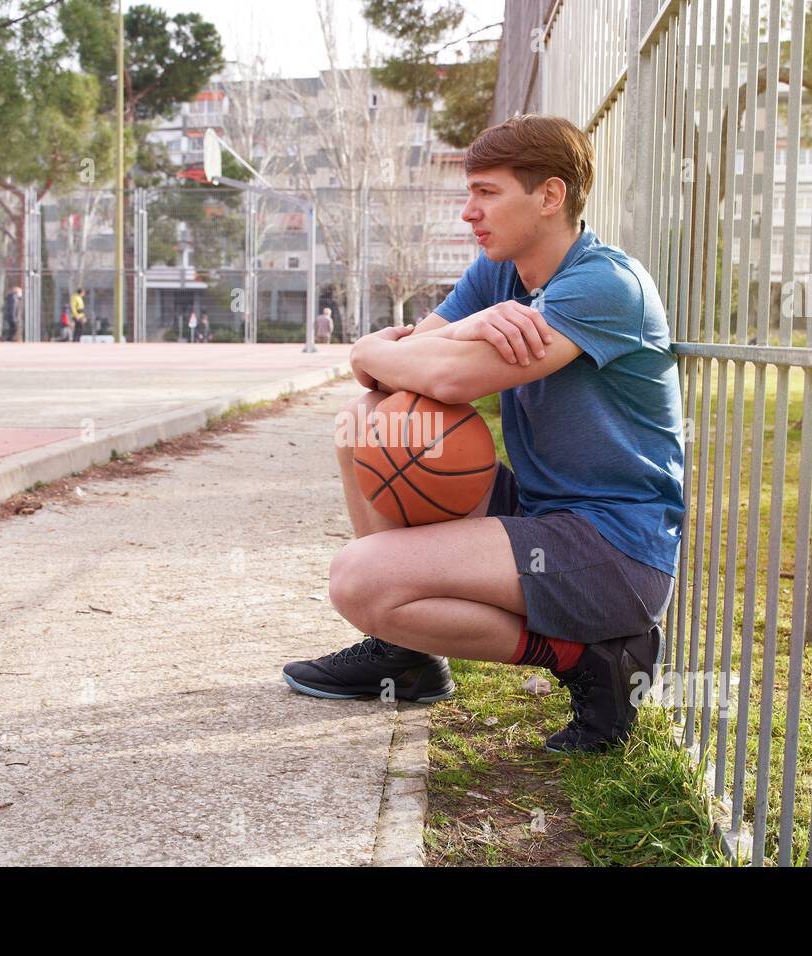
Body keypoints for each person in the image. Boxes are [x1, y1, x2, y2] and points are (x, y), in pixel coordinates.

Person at [282, 114, 684, 754]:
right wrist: (403, 339)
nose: (469, 212)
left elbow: (442, 376)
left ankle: (588, 656)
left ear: (550, 196)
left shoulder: (605, 285)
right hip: (537, 511)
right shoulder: (500, 273)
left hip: (614, 547)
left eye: (487, 193)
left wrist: (422, 345)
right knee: (364, 418)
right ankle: (408, 655)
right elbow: (382, 368)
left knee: (359, 580)